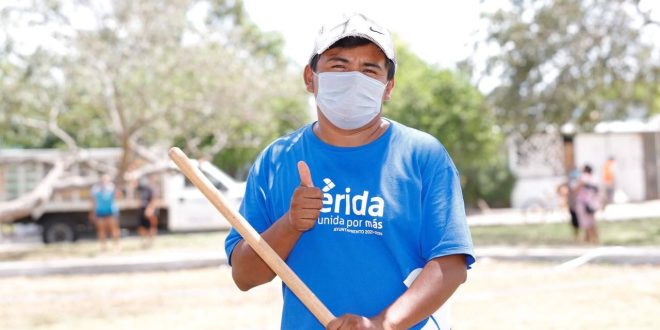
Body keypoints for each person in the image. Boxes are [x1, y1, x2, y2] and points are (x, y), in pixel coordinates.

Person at [224, 13, 475, 330]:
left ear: (388, 87)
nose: (354, 79)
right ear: (310, 77)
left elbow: (451, 264)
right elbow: (245, 276)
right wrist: (290, 224)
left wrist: (382, 325)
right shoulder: (276, 160)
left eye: (370, 70)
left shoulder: (423, 155)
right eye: (339, 66)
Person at [89, 174, 122, 252]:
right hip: (100, 211)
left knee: (114, 229)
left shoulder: (112, 187)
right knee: (101, 230)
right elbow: (93, 202)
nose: (104, 181)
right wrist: (92, 212)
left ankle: (116, 246)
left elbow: (118, 197)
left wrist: (117, 190)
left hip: (111, 211)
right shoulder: (95, 188)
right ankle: (103, 247)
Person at [575, 165, 599, 244]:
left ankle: (590, 239)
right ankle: (594, 238)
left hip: (584, 203)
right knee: (592, 222)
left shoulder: (583, 177)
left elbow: (576, 188)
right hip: (592, 203)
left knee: (586, 222)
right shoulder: (594, 179)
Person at [136, 175, 159, 248]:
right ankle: (145, 242)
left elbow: (154, 199)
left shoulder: (153, 188)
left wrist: (150, 209)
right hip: (143, 209)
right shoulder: (143, 188)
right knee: (142, 227)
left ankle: (149, 242)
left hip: (150, 210)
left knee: (151, 227)